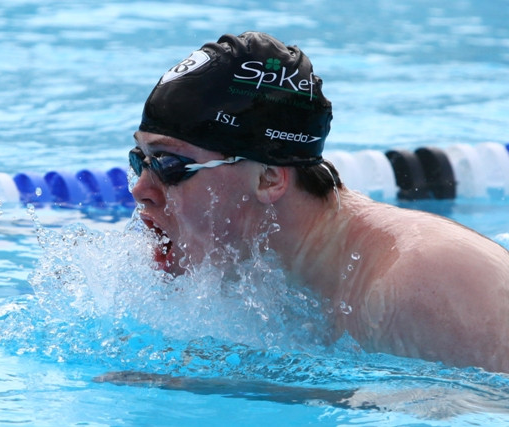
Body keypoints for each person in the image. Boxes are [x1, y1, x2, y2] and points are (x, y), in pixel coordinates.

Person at [127, 31, 509, 373]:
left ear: (268, 178)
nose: (140, 187)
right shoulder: (258, 274)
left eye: (169, 164)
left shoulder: (422, 282)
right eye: (139, 159)